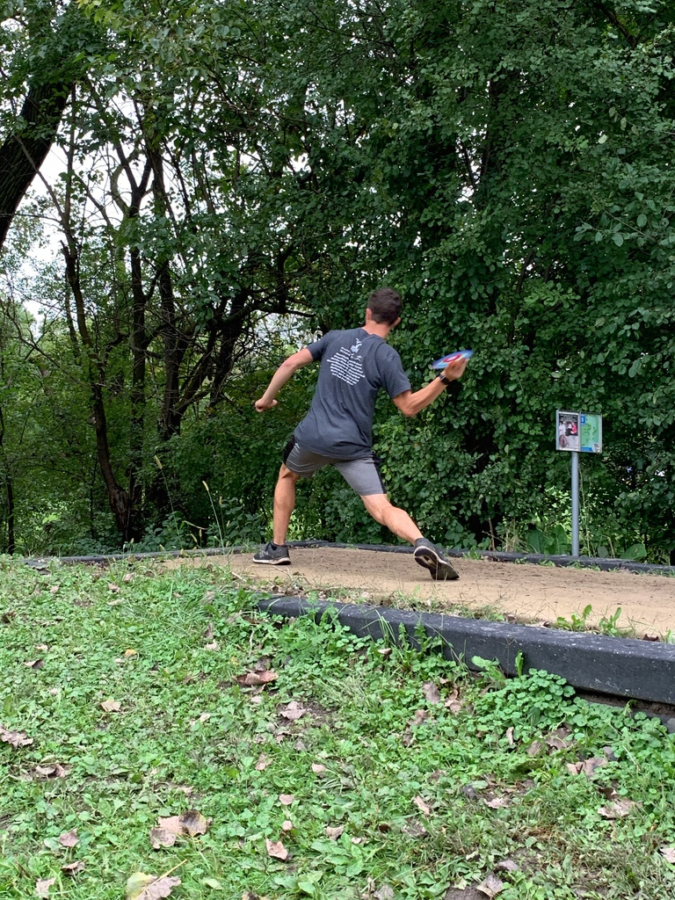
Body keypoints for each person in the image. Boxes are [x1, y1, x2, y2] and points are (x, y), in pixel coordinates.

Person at [252, 287, 468, 580]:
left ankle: (277, 549)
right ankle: (422, 542)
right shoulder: (387, 356)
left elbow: (290, 363)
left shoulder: (335, 338)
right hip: (353, 446)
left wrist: (266, 399)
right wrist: (444, 378)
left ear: (367, 313)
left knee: (287, 475)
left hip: (312, 438)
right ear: (397, 322)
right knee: (381, 507)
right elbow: (409, 407)